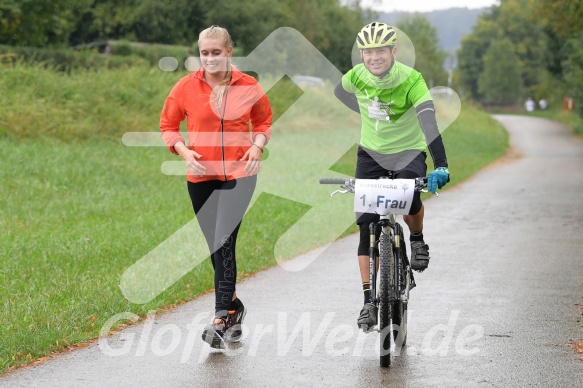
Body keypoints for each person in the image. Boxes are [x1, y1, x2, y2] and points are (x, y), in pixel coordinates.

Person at [160, 25, 272, 348]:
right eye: (204, 53)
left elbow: (263, 121)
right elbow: (167, 125)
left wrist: (257, 145)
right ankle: (235, 307)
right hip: (200, 177)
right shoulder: (184, 88)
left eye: (215, 52)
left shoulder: (248, 85)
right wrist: (182, 150)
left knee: (224, 242)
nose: (209, 59)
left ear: (229, 52)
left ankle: (221, 318)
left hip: (240, 176)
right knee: (215, 248)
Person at [334, 22, 450, 331]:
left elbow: (428, 122)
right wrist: (364, 110)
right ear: (362, 54)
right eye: (368, 51)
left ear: (393, 52)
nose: (374, 57)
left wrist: (440, 165)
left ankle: (417, 238)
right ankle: (369, 301)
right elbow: (340, 90)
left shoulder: (412, 80)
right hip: (370, 155)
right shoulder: (356, 76)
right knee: (365, 226)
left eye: (380, 50)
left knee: (411, 195)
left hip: (408, 152)